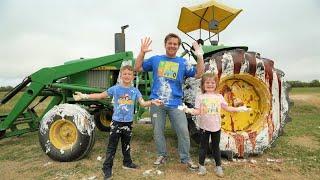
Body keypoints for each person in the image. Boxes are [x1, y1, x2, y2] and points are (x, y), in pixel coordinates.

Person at [73, 65, 162, 180]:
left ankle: (127, 163)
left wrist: (153, 102)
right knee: (112, 147)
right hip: (116, 123)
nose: (127, 76)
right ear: (121, 75)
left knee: (126, 145)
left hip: (128, 123)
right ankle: (107, 168)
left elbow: (143, 103)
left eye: (129, 74)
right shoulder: (115, 89)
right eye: (124, 74)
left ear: (133, 77)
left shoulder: (135, 91)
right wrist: (84, 96)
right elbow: (100, 95)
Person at [134, 33, 205, 170]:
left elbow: (199, 74)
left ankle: (185, 158)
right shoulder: (156, 60)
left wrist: (200, 55)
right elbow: (137, 67)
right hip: (157, 103)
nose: (172, 46)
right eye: (170, 43)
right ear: (165, 44)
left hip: (176, 103)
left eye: (175, 44)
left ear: (178, 46)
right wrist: (142, 52)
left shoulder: (183, 62)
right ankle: (162, 155)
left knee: (183, 131)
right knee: (157, 131)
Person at [183, 73, 250, 177]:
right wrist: (188, 110)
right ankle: (201, 166)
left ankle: (218, 167)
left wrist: (239, 109)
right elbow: (198, 111)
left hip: (216, 127)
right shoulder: (200, 97)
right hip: (204, 127)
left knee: (216, 147)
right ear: (203, 84)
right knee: (203, 147)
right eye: (207, 82)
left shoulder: (219, 97)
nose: (210, 84)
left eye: (212, 82)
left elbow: (227, 108)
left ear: (216, 84)